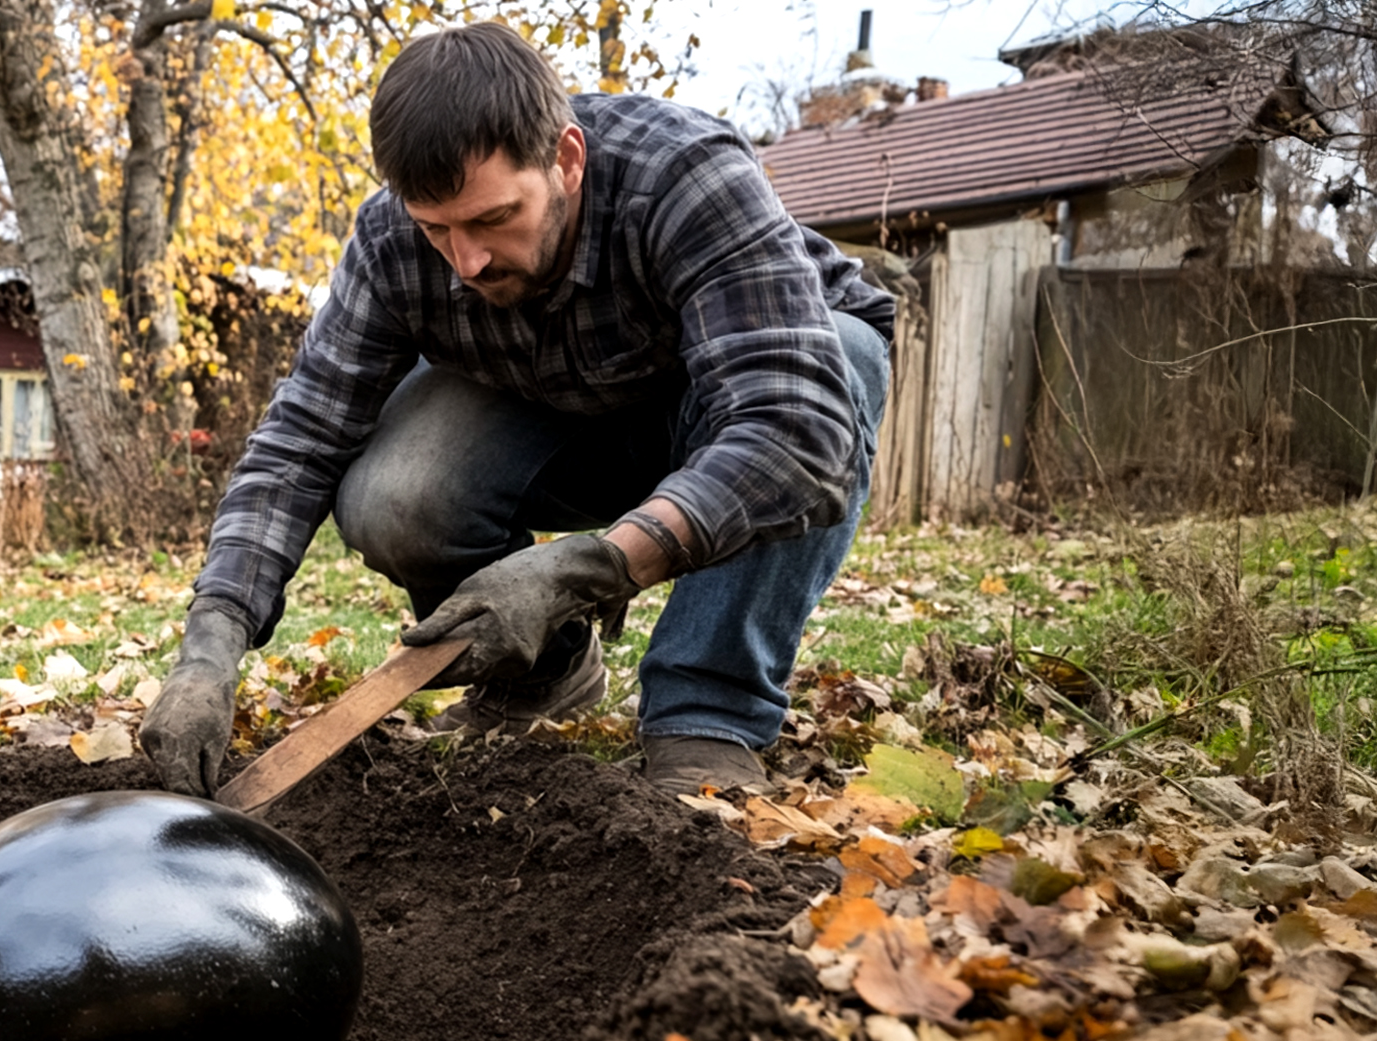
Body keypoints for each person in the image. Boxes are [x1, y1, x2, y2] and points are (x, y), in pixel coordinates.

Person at [139, 22, 894, 799]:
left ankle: (706, 713)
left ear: (566, 160)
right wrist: (209, 648)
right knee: (395, 495)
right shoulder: (392, 241)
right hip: (557, 414)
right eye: (438, 229)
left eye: (494, 219)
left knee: (842, 360)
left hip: (726, 413)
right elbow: (299, 440)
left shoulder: (683, 177)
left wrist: (587, 569)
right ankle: (544, 672)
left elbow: (793, 434)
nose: (466, 262)